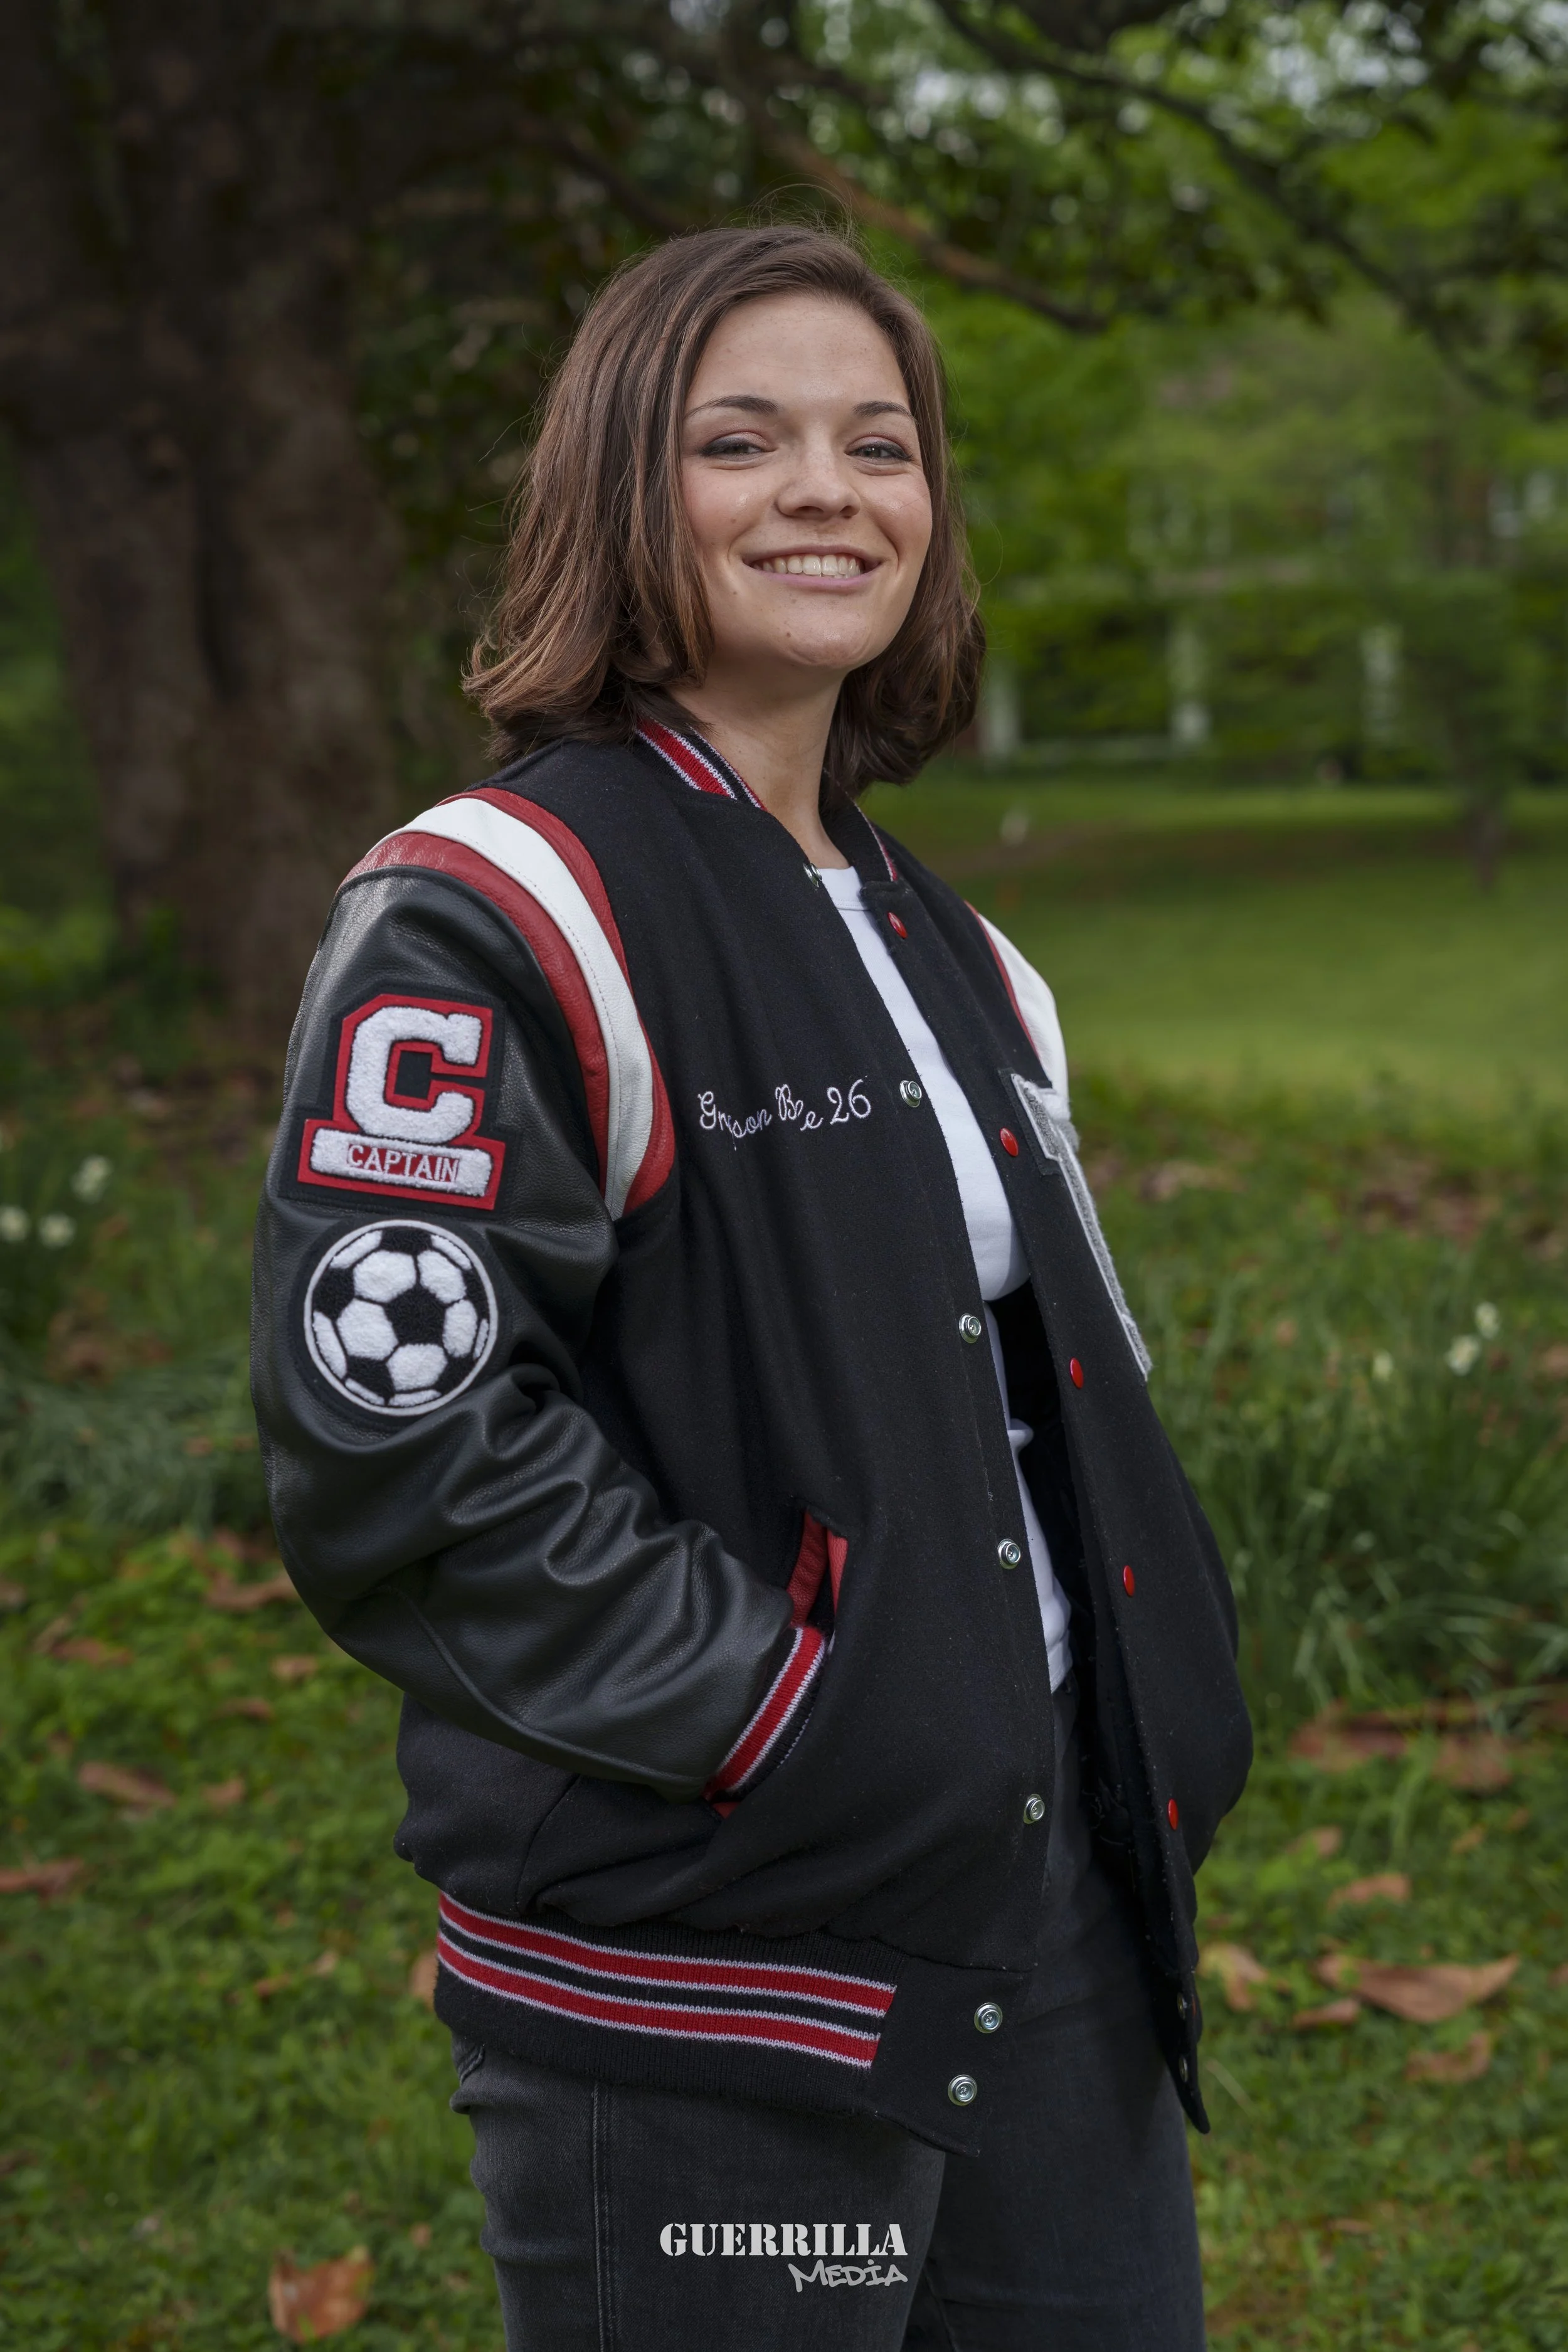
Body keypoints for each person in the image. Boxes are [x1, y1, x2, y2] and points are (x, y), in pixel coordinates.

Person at [251, 223, 1251, 2351]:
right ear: (624, 484)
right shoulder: (497, 902)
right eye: (742, 439)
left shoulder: (952, 945)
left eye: (879, 445)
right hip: (722, 1964)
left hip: (1048, 1916)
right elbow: (406, 1452)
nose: (827, 490)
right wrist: (799, 1721)